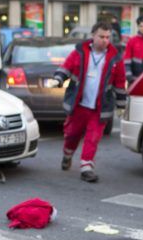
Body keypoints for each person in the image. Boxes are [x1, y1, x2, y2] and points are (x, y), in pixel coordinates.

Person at [52, 22, 127, 183]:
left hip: (100, 107)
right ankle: (68, 153)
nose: (105, 40)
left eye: (108, 37)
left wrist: (121, 105)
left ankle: (86, 167)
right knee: (72, 134)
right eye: (101, 37)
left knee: (93, 137)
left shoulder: (115, 58)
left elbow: (120, 82)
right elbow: (67, 67)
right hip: (79, 104)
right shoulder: (81, 52)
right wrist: (58, 78)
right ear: (93, 36)